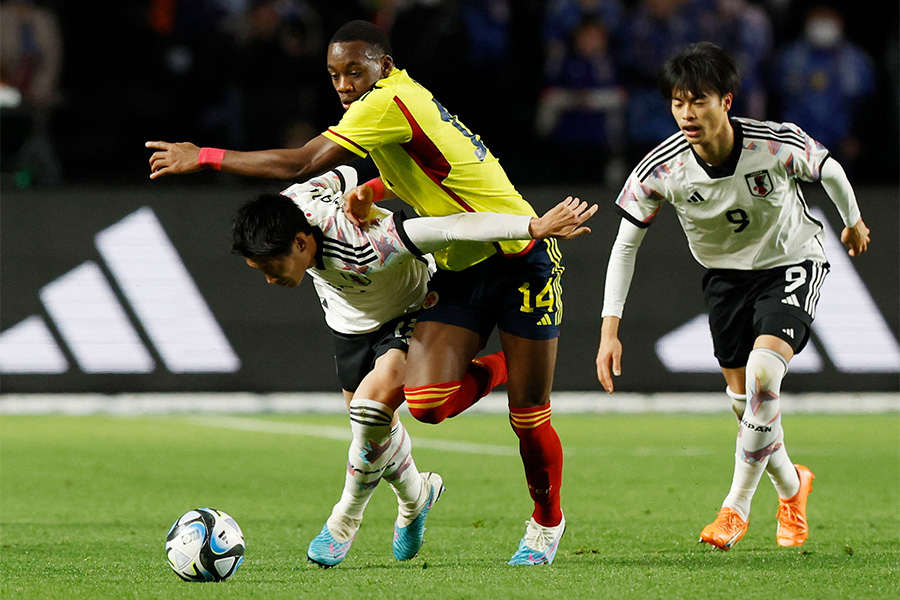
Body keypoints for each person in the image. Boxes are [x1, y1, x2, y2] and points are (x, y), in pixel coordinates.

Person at [147, 18, 576, 566]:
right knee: (425, 406)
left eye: (356, 71)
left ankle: (545, 525)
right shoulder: (390, 107)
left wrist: (204, 156)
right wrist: (370, 188)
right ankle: (501, 371)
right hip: (461, 265)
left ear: (385, 67)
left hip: (519, 253)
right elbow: (417, 171)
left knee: (528, 418)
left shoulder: (384, 102)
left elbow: (302, 161)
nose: (345, 85)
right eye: (334, 75)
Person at [231, 164, 595, 567]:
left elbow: (451, 227)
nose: (268, 279)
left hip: (408, 311)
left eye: (270, 267)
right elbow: (346, 169)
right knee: (371, 433)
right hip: (348, 324)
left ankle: (343, 521)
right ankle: (415, 499)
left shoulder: (372, 241)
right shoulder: (294, 203)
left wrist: (531, 226)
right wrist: (363, 190)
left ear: (301, 243)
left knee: (373, 411)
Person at [594, 42, 870, 551]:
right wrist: (609, 331)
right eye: (677, 102)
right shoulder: (660, 169)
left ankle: (734, 507)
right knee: (749, 408)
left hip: (791, 261)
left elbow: (827, 168)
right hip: (723, 280)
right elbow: (624, 246)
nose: (686, 114)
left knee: (766, 376)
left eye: (697, 100)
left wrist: (851, 220)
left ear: (727, 100)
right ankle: (792, 486)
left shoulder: (773, 143)